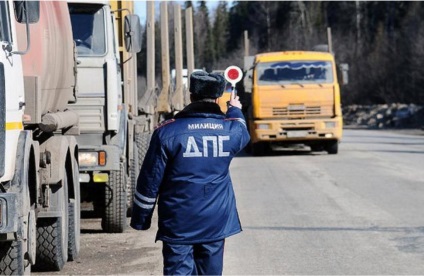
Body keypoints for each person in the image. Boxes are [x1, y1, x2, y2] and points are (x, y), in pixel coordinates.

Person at [130, 70, 250, 275]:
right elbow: (241, 128)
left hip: (178, 223)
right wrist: (234, 109)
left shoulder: (166, 132)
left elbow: (150, 181)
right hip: (215, 222)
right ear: (217, 98)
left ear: (191, 95)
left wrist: (141, 219)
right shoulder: (230, 131)